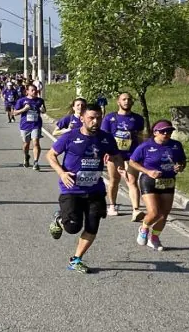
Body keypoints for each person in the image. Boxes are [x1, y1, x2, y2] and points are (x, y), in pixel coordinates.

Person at [46, 103, 125, 273]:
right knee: (73, 227)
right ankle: (59, 218)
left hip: (95, 190)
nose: (95, 121)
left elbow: (116, 155)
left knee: (92, 225)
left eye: (98, 118)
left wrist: (120, 167)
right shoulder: (70, 137)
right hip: (72, 189)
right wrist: (62, 173)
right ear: (82, 118)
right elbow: (51, 155)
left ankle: (76, 260)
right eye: (91, 118)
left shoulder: (106, 138)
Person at [129, 120, 187, 251]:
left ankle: (154, 237)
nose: (166, 134)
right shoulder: (146, 146)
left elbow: (182, 161)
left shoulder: (176, 145)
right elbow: (133, 162)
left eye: (169, 131)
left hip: (168, 181)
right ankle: (144, 228)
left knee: (164, 215)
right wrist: (148, 171)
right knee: (154, 212)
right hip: (149, 181)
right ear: (155, 132)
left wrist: (180, 167)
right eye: (163, 131)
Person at [101, 92, 145, 221]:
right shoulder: (110, 118)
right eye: (124, 99)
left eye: (129, 99)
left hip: (132, 154)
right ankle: (112, 205)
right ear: (118, 102)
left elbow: (141, 137)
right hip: (115, 154)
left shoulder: (138, 119)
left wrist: (143, 153)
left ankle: (136, 210)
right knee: (114, 180)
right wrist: (106, 152)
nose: (126, 101)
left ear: (132, 102)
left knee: (132, 181)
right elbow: (105, 137)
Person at [13, 84, 46, 171]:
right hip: (25, 125)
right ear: (27, 91)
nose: (34, 91)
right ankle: (26, 156)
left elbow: (43, 110)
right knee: (26, 144)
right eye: (32, 90)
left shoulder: (40, 100)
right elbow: (15, 113)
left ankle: (36, 162)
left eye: (35, 90)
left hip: (36, 124)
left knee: (36, 142)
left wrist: (43, 110)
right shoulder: (21, 101)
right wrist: (24, 109)